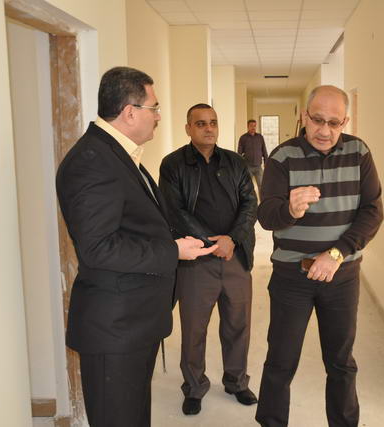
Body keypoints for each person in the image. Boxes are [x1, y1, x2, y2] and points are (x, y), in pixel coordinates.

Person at [56, 67, 216, 427]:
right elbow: (98, 247)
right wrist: (173, 252)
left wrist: (174, 242)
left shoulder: (117, 153)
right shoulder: (93, 161)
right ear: (130, 112)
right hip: (114, 329)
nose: (158, 117)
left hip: (134, 322)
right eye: (154, 108)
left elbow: (134, 226)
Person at [254, 85, 384, 427]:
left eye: (333, 123)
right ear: (304, 116)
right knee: (281, 360)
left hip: (341, 276)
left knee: (341, 362)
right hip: (291, 278)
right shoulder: (282, 157)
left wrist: (337, 254)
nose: (324, 130)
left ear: (345, 122)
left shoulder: (358, 152)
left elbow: (372, 212)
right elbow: (266, 216)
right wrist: (290, 210)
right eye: (317, 120)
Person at [159, 104, 258, 416]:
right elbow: (174, 211)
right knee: (194, 329)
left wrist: (232, 239)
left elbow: (250, 203)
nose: (209, 128)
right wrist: (211, 243)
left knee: (238, 325)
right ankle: (194, 387)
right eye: (200, 123)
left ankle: (236, 382)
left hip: (235, 256)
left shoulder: (235, 162)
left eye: (213, 122)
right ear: (188, 128)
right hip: (195, 260)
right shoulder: (173, 164)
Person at [237, 119, 268, 187]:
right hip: (248, 166)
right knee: (247, 186)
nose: (253, 127)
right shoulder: (243, 138)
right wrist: (240, 165)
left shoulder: (260, 137)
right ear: (248, 126)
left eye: (254, 126)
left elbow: (264, 150)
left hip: (258, 166)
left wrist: (266, 163)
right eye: (251, 126)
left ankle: (261, 195)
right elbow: (239, 153)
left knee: (261, 185)